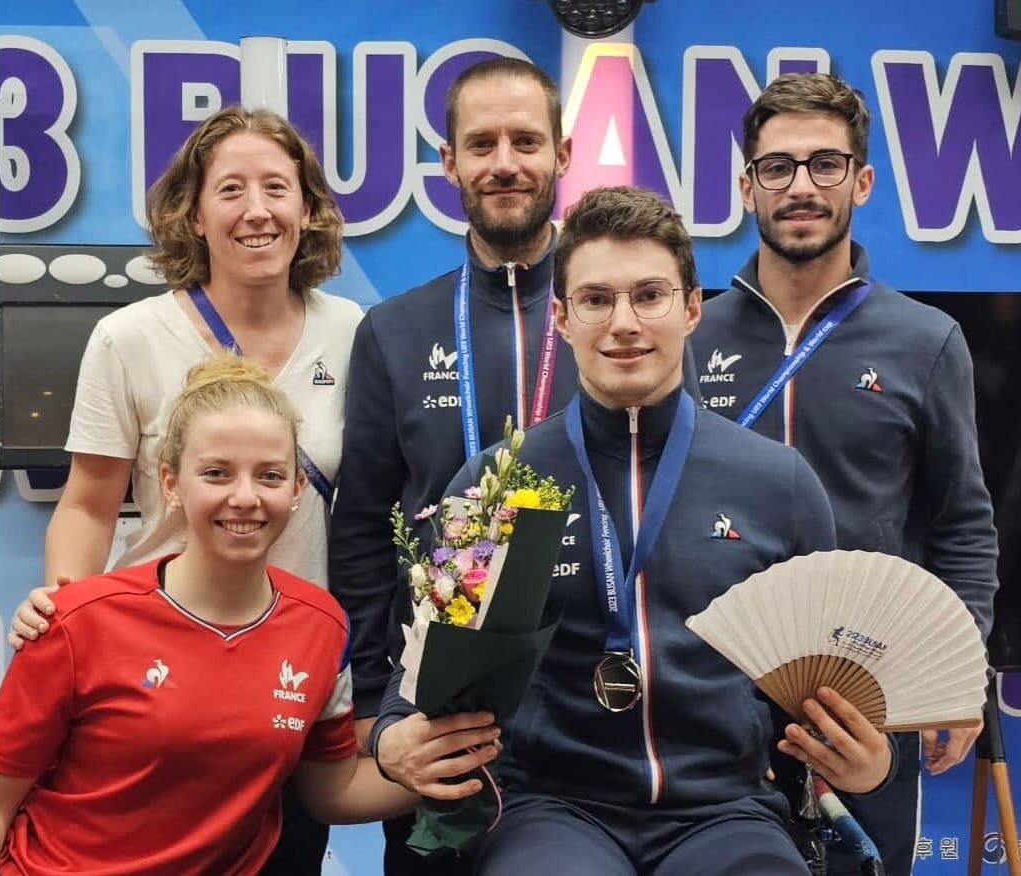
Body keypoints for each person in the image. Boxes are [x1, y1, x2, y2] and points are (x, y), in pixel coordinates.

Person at [372, 186, 896, 876]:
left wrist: (872, 762)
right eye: (596, 299)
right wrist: (390, 739)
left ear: (692, 307)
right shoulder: (498, 481)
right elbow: (422, 668)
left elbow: (837, 683)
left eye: (649, 295)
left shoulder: (779, 484)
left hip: (727, 811)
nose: (624, 323)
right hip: (551, 810)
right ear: (562, 317)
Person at [0, 354, 461, 876]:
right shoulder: (77, 622)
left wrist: (449, 762)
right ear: (170, 483)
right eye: (216, 473)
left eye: (270, 475)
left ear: (297, 488)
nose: (245, 497)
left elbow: (331, 789)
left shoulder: (322, 627)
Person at [8, 104, 362, 875]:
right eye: (230, 190)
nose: (256, 210)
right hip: (157, 679)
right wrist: (64, 614)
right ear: (195, 216)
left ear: (308, 208)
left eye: (277, 187)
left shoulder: (353, 333)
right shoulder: (130, 338)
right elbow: (88, 504)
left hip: (288, 676)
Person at [689, 72, 998, 876]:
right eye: (778, 166)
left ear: (860, 181)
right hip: (714, 698)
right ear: (747, 186)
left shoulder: (926, 340)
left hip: (870, 700)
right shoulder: (690, 336)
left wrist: (959, 667)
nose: (801, 186)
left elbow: (963, 523)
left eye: (825, 164)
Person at [327, 56, 579, 876]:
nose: (505, 162)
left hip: (590, 716)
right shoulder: (394, 330)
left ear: (563, 154)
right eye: (481, 144)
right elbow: (362, 531)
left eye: (525, 141)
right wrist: (376, 710)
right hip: (437, 718)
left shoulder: (613, 321)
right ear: (449, 162)